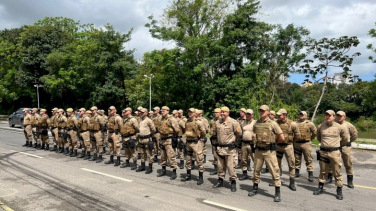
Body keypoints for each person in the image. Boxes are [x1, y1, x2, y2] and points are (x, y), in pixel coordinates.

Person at [248, 105, 284, 202]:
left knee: (274, 171)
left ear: (268, 111)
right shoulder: (256, 123)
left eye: (263, 111)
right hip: (258, 150)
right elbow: (255, 135)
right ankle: (255, 188)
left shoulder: (273, 123)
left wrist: (274, 143)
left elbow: (281, 137)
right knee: (256, 170)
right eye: (260, 110)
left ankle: (277, 192)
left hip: (269, 151)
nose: (261, 112)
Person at [313, 110, 348, 200]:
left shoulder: (340, 127)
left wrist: (335, 146)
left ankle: (339, 190)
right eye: (326, 115)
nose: (327, 117)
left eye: (329, 115)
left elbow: (344, 139)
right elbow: (319, 138)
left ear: (334, 117)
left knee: (337, 172)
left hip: (335, 152)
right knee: (323, 171)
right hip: (323, 152)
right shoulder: (321, 126)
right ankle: (320, 187)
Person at [212, 106, 242, 192]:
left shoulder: (233, 122)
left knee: (231, 167)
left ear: (228, 113)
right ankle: (220, 180)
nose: (222, 113)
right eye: (221, 112)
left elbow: (239, 134)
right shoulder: (217, 122)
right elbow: (214, 134)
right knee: (220, 166)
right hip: (220, 148)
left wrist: (234, 142)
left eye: (224, 112)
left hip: (230, 149)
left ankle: (233, 183)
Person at [326, 111, 358, 188]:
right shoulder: (333, 125)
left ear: (344, 117)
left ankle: (350, 180)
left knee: (348, 163)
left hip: (345, 147)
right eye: (337, 116)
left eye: (340, 116)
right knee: (331, 163)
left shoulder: (348, 125)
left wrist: (348, 142)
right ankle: (329, 177)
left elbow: (354, 135)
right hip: (335, 147)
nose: (339, 117)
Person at [276, 109, 301, 191]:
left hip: (288, 146)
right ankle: (277, 180)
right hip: (278, 146)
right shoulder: (276, 123)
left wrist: (291, 142)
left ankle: (292, 182)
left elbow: (298, 135)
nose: (278, 116)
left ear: (285, 115)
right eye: (278, 115)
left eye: (280, 115)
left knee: (291, 164)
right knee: (277, 164)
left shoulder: (292, 124)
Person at [182, 108, 206, 185]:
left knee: (199, 159)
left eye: (191, 112)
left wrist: (199, 138)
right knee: (188, 159)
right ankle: (188, 174)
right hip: (188, 142)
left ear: (195, 114)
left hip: (196, 143)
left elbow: (203, 132)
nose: (190, 113)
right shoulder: (187, 122)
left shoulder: (198, 122)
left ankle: (201, 177)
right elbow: (185, 132)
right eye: (189, 112)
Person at [157, 106, 180, 180]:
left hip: (169, 140)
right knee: (163, 156)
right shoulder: (161, 118)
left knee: (171, 156)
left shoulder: (171, 119)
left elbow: (177, 129)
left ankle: (174, 172)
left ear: (168, 111)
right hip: (162, 139)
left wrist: (173, 137)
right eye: (161, 110)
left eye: (163, 110)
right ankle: (163, 170)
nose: (162, 111)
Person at [294, 111, 317, 181]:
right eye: (300, 114)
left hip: (306, 144)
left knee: (308, 159)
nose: (301, 115)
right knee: (297, 159)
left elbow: (315, 133)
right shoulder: (295, 123)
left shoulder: (310, 124)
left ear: (306, 116)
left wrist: (310, 139)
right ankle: (297, 172)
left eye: (302, 114)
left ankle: (310, 174)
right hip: (297, 143)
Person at [136, 108, 156, 173]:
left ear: (146, 113)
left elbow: (153, 130)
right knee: (142, 153)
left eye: (142, 112)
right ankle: (142, 166)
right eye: (140, 112)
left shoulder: (149, 120)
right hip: (141, 139)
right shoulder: (140, 120)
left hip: (147, 139)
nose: (141, 113)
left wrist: (149, 135)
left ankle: (150, 167)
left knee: (149, 154)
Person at [239, 109, 256, 181]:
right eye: (247, 114)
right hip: (244, 143)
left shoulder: (255, 123)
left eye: (249, 114)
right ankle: (244, 174)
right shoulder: (243, 122)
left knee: (255, 160)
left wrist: (255, 143)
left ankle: (256, 175)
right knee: (244, 160)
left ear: (252, 115)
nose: (248, 115)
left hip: (252, 144)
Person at [209, 108, 221, 175]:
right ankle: (216, 168)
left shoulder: (221, 121)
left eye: (217, 112)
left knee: (221, 155)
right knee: (214, 154)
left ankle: (221, 168)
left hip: (220, 140)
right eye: (214, 112)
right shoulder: (212, 121)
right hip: (214, 139)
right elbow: (211, 128)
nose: (215, 113)